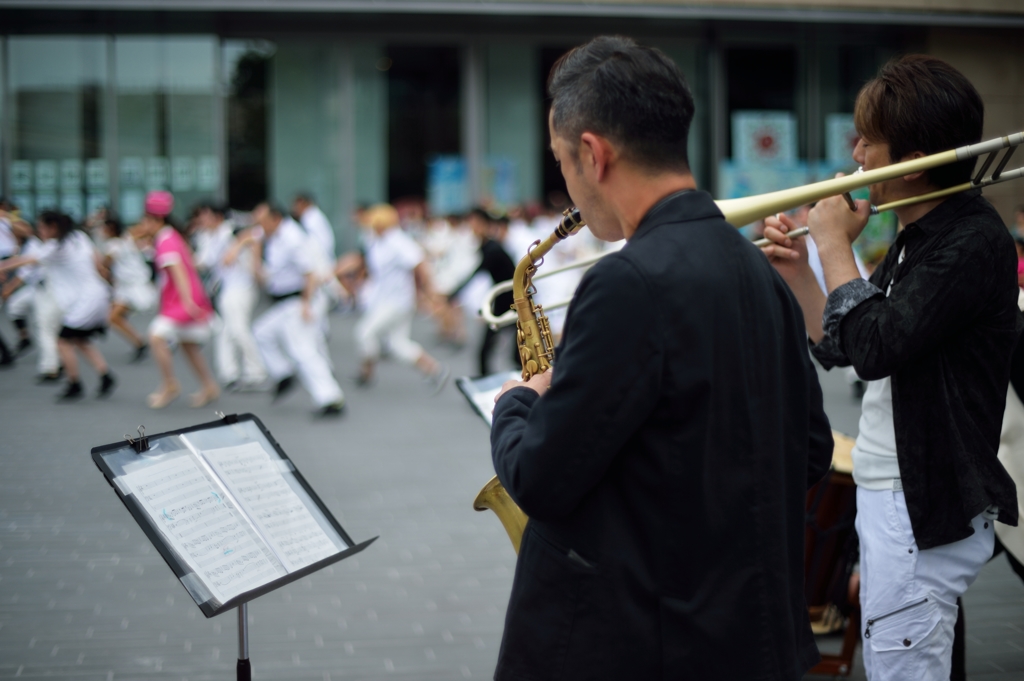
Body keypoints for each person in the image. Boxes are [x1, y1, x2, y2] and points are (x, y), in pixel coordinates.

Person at [489, 37, 833, 680]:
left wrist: (519, 400)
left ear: (593, 154)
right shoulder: (759, 275)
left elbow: (539, 478)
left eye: (562, 160)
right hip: (745, 638)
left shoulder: (628, 283)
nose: (566, 179)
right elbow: (809, 450)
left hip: (643, 645)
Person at [760, 55, 1019, 680]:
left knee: (902, 667)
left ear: (914, 154)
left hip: (919, 502)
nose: (857, 153)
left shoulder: (969, 241)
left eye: (868, 141)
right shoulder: (922, 232)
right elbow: (852, 344)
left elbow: (874, 346)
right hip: (897, 495)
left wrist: (831, 243)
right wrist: (801, 275)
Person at [0, 211, 116, 400]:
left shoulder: (55, 247)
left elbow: (25, 260)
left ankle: (74, 384)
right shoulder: (79, 237)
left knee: (62, 340)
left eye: (42, 227)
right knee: (79, 340)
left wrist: (2, 267)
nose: (40, 231)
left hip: (85, 302)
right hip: (97, 294)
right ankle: (105, 376)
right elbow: (98, 261)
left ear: (53, 227)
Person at [338, 203, 448, 391]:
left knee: (365, 332)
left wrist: (429, 292)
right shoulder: (377, 241)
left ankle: (367, 372)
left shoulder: (397, 241)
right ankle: (434, 370)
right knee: (398, 344)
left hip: (396, 301)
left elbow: (420, 264)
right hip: (385, 299)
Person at [251, 202, 345, 417]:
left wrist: (306, 304)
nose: (259, 226)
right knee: (261, 332)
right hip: (284, 301)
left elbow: (310, 273)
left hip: (298, 300)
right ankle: (283, 373)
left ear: (275, 218)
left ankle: (330, 398)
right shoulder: (274, 237)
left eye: (262, 221)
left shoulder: (292, 238)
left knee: (303, 350)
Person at [139, 191, 220, 409]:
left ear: (153, 219)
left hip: (182, 302)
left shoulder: (165, 240)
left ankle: (170, 384)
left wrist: (187, 301)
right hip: (188, 300)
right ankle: (209, 386)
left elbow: (179, 271)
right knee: (188, 344)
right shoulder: (172, 236)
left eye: (144, 219)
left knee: (156, 336)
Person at [192, 203, 267, 391]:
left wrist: (236, 248)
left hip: (242, 286)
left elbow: (256, 234)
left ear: (217, 216)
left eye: (205, 215)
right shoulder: (206, 237)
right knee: (225, 331)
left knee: (238, 329)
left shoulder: (232, 229)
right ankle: (229, 373)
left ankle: (256, 371)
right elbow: (203, 262)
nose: (202, 220)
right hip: (225, 289)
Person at [447, 208, 518, 376]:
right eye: (471, 224)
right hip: (504, 301)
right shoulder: (488, 247)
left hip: (514, 302)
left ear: (486, 225)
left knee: (514, 353)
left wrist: (454, 293)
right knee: (490, 350)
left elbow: (476, 273)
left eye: (477, 224)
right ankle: (488, 384)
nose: (473, 228)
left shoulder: (492, 249)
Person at [100, 216, 156, 361]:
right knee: (113, 317)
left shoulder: (113, 244)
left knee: (114, 317)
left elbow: (105, 263)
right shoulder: (127, 240)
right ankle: (139, 342)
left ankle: (147, 341)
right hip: (127, 287)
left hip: (134, 286)